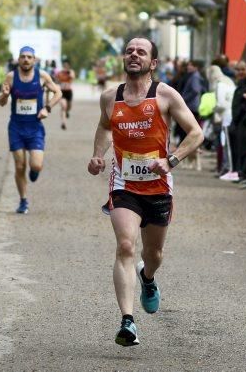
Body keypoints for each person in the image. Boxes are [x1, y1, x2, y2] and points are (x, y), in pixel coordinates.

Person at [87, 38, 203, 347]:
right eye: (129, 51)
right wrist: (99, 154)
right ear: (123, 59)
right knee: (126, 246)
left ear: (152, 63)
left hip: (158, 187)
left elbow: (196, 133)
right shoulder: (110, 97)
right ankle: (128, 321)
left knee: (153, 254)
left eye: (141, 52)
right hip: (124, 184)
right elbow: (104, 126)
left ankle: (148, 278)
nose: (134, 55)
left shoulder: (165, 95)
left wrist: (171, 160)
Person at [0, 46, 62, 214]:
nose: (26, 60)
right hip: (16, 127)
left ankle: (34, 171)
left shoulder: (42, 76)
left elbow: (58, 93)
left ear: (34, 60)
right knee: (19, 166)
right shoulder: (11, 77)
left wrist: (47, 108)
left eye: (29, 57)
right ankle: (23, 200)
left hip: (35, 127)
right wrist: (4, 95)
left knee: (36, 165)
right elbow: (1, 101)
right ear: (18, 59)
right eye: (23, 57)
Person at [56, 60, 76, 130]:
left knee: (69, 107)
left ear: (69, 66)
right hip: (62, 92)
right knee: (63, 106)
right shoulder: (60, 73)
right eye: (64, 65)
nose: (65, 66)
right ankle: (63, 122)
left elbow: (72, 77)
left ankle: (67, 111)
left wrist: (69, 72)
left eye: (67, 65)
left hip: (69, 92)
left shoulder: (71, 72)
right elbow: (57, 81)